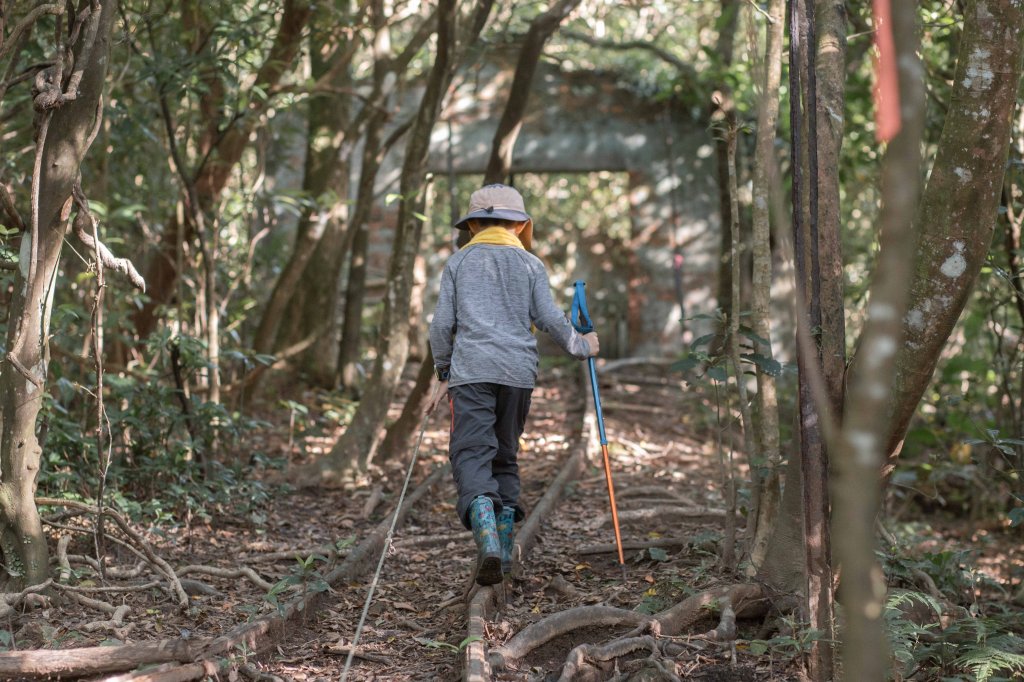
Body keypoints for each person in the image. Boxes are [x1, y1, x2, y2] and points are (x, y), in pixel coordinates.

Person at [427, 183, 599, 586]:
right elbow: (550, 318)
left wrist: (443, 370)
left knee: (471, 452)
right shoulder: (531, 265)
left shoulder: (458, 263)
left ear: (471, 225)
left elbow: (440, 328)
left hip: (472, 374)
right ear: (521, 227)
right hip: (518, 373)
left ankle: (484, 529)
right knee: (505, 453)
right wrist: (582, 346)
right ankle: (503, 550)